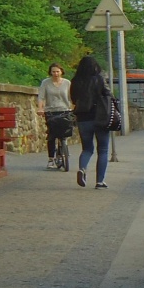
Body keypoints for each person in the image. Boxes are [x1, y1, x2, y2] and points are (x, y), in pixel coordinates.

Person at [70, 55, 112, 189]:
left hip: (83, 118)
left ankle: (82, 168)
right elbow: (109, 95)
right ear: (95, 66)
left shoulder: (75, 81)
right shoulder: (99, 79)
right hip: (100, 118)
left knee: (87, 148)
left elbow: (73, 99)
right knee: (103, 150)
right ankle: (100, 182)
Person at [36, 63, 73, 169]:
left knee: (64, 133)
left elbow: (71, 97)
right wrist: (40, 108)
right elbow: (41, 97)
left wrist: (75, 107)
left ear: (61, 71)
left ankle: (64, 150)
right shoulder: (46, 83)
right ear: (50, 72)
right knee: (52, 135)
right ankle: (51, 159)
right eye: (53, 71)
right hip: (51, 111)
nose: (56, 74)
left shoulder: (67, 83)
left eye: (58, 71)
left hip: (64, 110)